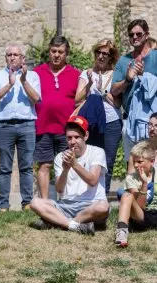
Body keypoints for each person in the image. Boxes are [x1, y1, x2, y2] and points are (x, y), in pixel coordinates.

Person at [29, 116, 109, 234]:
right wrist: (65, 170)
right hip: (66, 205)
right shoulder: (60, 157)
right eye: (69, 138)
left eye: (77, 137)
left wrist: (74, 165)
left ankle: (56, 221)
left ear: (86, 136)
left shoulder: (97, 152)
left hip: (90, 205)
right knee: (35, 202)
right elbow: (59, 189)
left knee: (103, 207)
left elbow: (92, 181)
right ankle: (75, 225)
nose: (72, 142)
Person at [0, 43, 41, 211]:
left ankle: (27, 203)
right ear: (5, 58)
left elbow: (36, 99)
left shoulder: (32, 76)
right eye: (9, 55)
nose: (12, 57)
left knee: (26, 166)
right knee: (4, 167)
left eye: (16, 55)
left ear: (22, 58)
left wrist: (23, 81)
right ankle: (3, 204)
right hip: (4, 125)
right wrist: (9, 85)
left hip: (26, 124)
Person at [34, 36, 81, 200]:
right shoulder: (37, 73)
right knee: (44, 165)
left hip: (66, 129)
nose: (56, 55)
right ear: (49, 52)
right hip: (42, 127)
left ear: (66, 54)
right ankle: (45, 203)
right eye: (53, 51)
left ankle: (66, 200)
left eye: (60, 52)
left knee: (67, 164)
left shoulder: (76, 74)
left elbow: (81, 100)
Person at [74, 39, 121, 193]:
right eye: (98, 52)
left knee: (107, 160)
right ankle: (87, 197)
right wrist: (89, 83)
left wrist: (102, 92)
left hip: (111, 122)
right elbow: (77, 99)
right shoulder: (86, 73)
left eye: (105, 54)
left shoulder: (115, 75)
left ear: (111, 57)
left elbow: (118, 103)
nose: (101, 56)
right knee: (89, 159)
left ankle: (103, 198)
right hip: (91, 122)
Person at [111, 20, 157, 166]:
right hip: (130, 121)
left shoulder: (155, 57)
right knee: (132, 166)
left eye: (139, 34)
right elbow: (114, 90)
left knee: (152, 165)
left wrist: (145, 77)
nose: (135, 37)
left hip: (153, 123)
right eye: (131, 35)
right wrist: (127, 80)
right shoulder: (124, 61)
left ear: (147, 35)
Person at [115, 141, 157, 248]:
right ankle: (121, 233)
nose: (136, 165)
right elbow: (140, 206)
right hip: (141, 216)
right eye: (134, 162)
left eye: (140, 162)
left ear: (152, 161)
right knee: (126, 195)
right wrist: (144, 183)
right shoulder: (131, 178)